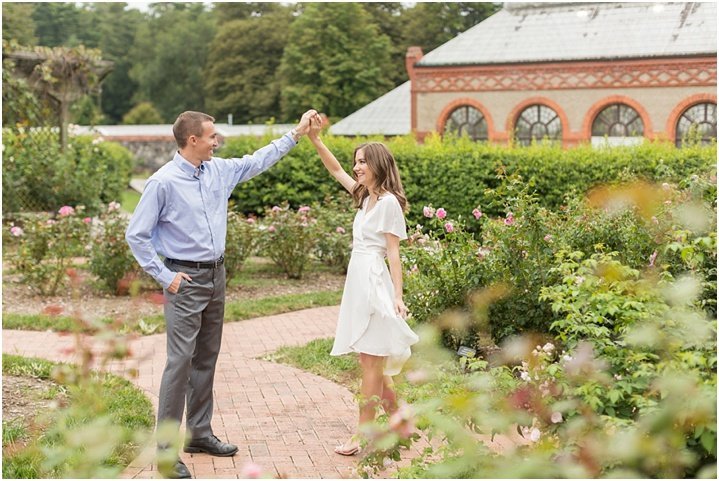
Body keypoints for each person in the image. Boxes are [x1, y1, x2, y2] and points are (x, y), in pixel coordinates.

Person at [125, 109, 320, 479]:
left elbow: (257, 160)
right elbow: (137, 235)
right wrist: (166, 277)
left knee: (206, 358)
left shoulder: (219, 171)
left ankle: (198, 434)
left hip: (216, 276)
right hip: (184, 280)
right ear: (192, 140)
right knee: (179, 364)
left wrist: (296, 134)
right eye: (212, 136)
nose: (218, 141)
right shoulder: (163, 182)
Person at [307, 118, 419, 456]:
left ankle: (362, 434)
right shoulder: (366, 197)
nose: (356, 167)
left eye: (362, 161)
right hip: (357, 281)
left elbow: (394, 253)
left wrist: (398, 296)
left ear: (378, 166)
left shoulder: (387, 203)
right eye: (356, 161)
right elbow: (336, 170)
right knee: (370, 362)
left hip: (373, 282)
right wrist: (316, 139)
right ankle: (401, 421)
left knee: (371, 363)